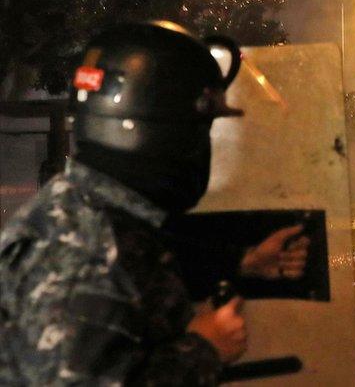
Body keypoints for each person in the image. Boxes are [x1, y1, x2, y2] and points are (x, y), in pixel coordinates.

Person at [0, 21, 308, 385]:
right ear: (171, 129)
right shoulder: (91, 253)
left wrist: (243, 263)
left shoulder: (87, 208)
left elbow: (136, 273)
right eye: (202, 127)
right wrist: (204, 350)